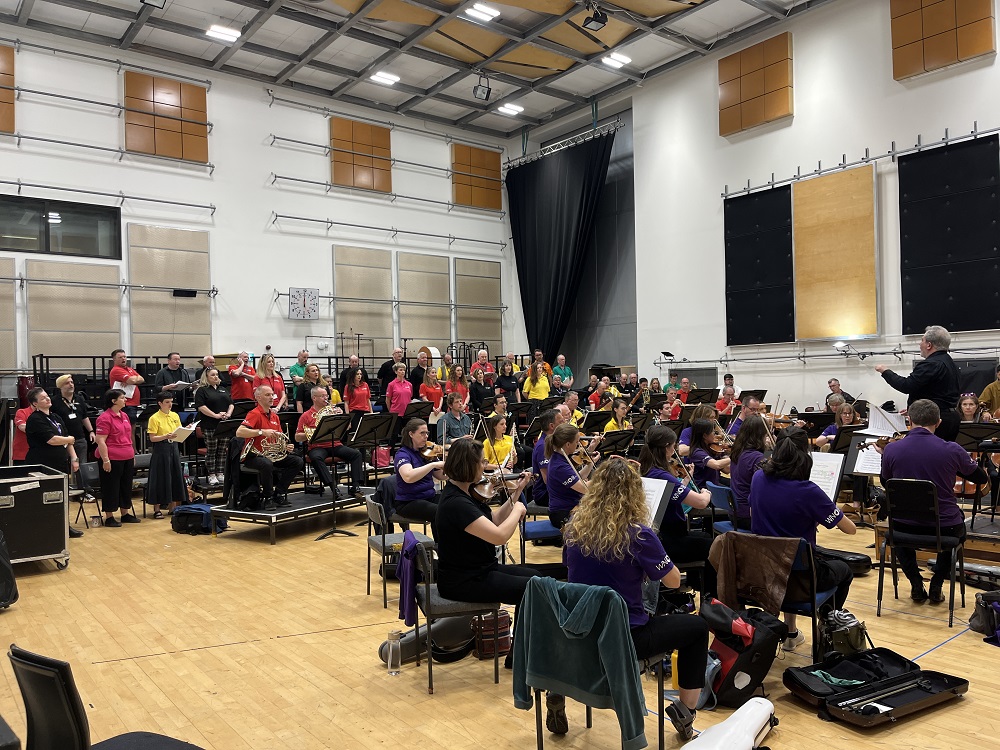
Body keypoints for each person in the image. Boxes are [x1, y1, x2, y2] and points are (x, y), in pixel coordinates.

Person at [565, 458, 709, 740]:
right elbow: (674, 580)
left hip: (581, 631)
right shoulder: (638, 534)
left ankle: (558, 692)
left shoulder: (573, 528)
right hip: (625, 636)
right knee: (697, 628)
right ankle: (686, 711)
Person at [750, 426, 856, 648]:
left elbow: (756, 512)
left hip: (764, 570)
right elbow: (850, 529)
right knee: (844, 570)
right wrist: (823, 509)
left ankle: (791, 634)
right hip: (799, 579)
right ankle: (828, 628)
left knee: (793, 553)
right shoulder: (808, 490)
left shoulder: (759, 477)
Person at [434, 438, 533, 672]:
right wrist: (518, 510)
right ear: (469, 465)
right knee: (531, 587)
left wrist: (517, 493)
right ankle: (519, 657)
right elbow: (498, 536)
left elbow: (494, 521)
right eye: (481, 461)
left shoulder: (466, 494)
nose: (484, 465)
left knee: (535, 577)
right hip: (462, 579)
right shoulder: (456, 503)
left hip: (479, 569)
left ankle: (523, 651)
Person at [880, 399, 987, 603]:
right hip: (943, 527)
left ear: (909, 420)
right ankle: (937, 583)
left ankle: (915, 583)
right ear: (938, 422)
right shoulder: (952, 449)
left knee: (898, 532)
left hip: (904, 525)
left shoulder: (891, 450)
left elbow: (886, 482)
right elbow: (980, 478)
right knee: (957, 527)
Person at [639, 426, 717, 597]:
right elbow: (701, 503)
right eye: (673, 447)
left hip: (658, 534)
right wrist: (706, 493)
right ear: (667, 447)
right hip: (668, 539)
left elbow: (671, 492)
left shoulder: (646, 469)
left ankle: (696, 585)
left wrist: (686, 479)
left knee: (704, 537)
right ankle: (711, 595)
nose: (674, 452)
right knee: (715, 546)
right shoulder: (663, 475)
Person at [875, 325, 960, 441]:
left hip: (934, 421)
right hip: (950, 418)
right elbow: (937, 393)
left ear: (929, 345)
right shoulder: (951, 364)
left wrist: (885, 371)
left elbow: (907, 385)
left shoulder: (931, 364)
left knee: (927, 456)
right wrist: (915, 409)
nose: (920, 345)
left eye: (922, 340)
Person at [24, 387, 84, 538]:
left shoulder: (56, 417)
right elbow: (52, 440)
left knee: (63, 495)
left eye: (47, 396)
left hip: (60, 463)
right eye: (43, 398)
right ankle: (44, 527)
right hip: (43, 464)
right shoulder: (35, 419)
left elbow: (66, 438)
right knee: (44, 496)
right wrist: (70, 439)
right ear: (35, 403)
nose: (47, 399)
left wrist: (74, 458)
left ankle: (64, 526)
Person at [235, 385, 303, 509]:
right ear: (258, 397)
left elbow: (279, 437)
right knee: (266, 464)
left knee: (297, 461)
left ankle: (279, 492)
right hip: (254, 455)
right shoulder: (254, 413)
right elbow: (239, 432)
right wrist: (261, 432)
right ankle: (268, 497)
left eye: (272, 394)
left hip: (272, 454)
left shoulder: (274, 416)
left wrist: (286, 446)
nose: (272, 397)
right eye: (268, 395)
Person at [295, 387, 364, 501]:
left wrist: (343, 418)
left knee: (356, 454)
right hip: (316, 446)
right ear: (314, 398)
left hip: (335, 444)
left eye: (326, 395)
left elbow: (348, 427)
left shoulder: (332, 411)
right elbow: (297, 437)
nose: (326, 398)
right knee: (316, 458)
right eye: (322, 396)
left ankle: (355, 486)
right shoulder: (306, 415)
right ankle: (333, 487)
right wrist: (314, 432)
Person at [95, 389, 140, 526]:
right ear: (113, 401)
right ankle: (109, 516)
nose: (125, 400)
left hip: (126, 455)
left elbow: (128, 437)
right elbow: (100, 440)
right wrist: (105, 460)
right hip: (112, 457)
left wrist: (132, 454)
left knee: (126, 486)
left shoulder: (124, 415)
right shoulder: (104, 418)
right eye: (122, 398)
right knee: (111, 486)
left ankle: (125, 513)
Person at [394, 418, 445, 525]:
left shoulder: (429, 452)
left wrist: (452, 467)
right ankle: (439, 542)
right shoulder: (402, 454)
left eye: (427, 433)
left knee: (455, 505)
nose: (426, 436)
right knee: (440, 512)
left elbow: (440, 476)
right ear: (411, 434)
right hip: (408, 502)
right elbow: (408, 477)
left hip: (429, 496)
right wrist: (433, 465)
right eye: (422, 433)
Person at [145, 392, 186, 519]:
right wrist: (165, 436)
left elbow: (179, 432)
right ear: (160, 403)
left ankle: (172, 507)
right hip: (161, 449)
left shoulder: (174, 415)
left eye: (171, 401)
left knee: (174, 476)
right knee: (160, 478)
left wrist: (186, 430)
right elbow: (152, 438)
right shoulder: (154, 418)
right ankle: (157, 509)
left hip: (173, 448)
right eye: (167, 402)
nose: (170, 404)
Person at [546, 423, 593, 529]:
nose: (578, 445)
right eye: (576, 442)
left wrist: (590, 463)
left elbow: (577, 478)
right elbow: (584, 488)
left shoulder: (561, 457)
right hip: (563, 514)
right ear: (567, 444)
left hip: (571, 507)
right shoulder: (559, 466)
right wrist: (603, 477)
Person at [727, 415, 771, 530]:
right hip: (748, 516)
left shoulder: (737, 451)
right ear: (760, 435)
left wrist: (768, 451)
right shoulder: (756, 457)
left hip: (734, 513)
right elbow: (766, 485)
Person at [50, 374, 96, 478]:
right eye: (67, 383)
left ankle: (82, 486)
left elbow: (85, 417)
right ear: (60, 386)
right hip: (63, 440)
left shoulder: (79, 399)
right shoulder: (54, 401)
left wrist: (91, 431)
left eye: (72, 382)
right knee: (64, 466)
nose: (71, 385)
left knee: (82, 464)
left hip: (79, 438)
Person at [194, 368, 233, 486]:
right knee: (212, 450)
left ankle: (220, 473)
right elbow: (201, 407)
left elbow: (231, 404)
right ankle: (212, 475)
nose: (216, 377)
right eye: (212, 375)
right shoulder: (202, 390)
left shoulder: (223, 389)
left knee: (222, 450)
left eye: (217, 374)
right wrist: (215, 415)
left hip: (224, 424)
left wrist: (228, 414)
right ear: (206, 377)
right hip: (210, 424)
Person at [687, 419, 730, 487]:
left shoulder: (712, 449)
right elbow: (716, 465)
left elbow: (726, 470)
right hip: (704, 490)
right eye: (713, 432)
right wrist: (734, 456)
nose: (715, 434)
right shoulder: (697, 453)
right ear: (704, 435)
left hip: (714, 485)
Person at [108, 349, 144, 421]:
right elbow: (132, 380)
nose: (123, 359)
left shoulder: (129, 369)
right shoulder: (116, 370)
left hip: (133, 402)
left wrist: (130, 380)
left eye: (124, 357)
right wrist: (132, 379)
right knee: (128, 424)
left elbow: (142, 379)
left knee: (133, 423)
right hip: (125, 403)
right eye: (120, 357)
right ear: (114, 359)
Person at [385, 362, 414, 445]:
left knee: (408, 434)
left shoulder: (409, 384)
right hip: (396, 412)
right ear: (396, 372)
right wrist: (391, 411)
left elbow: (410, 397)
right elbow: (388, 400)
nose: (402, 372)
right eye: (400, 370)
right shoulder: (391, 384)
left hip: (407, 412)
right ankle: (391, 454)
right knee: (394, 434)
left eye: (404, 370)